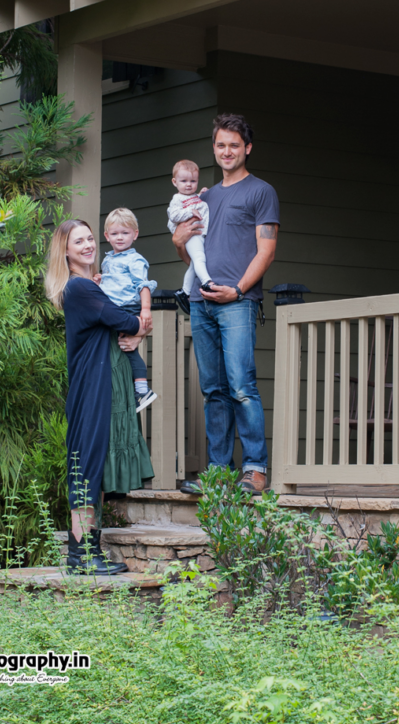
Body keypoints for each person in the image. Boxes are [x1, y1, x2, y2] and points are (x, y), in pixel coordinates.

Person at [172, 114, 279, 496]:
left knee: (242, 387)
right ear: (213, 149)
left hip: (237, 302)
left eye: (234, 145)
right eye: (220, 145)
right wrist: (178, 242)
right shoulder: (204, 197)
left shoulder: (260, 191)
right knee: (213, 390)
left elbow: (266, 251)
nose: (227, 151)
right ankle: (219, 472)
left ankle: (255, 469)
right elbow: (194, 256)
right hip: (202, 302)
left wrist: (238, 289)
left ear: (247, 148)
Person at [45, 219, 154, 574]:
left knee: (92, 469)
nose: (89, 245)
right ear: (65, 251)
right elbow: (124, 320)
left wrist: (134, 329)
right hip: (91, 388)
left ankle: (89, 551)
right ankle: (80, 556)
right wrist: (139, 327)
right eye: (79, 241)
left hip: (96, 385)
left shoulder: (91, 285)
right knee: (85, 470)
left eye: (91, 238)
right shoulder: (81, 289)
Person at [96, 207, 158, 413]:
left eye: (125, 233)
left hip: (127, 308)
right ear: (107, 236)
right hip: (112, 308)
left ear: (135, 234)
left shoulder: (135, 259)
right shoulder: (107, 260)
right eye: (114, 233)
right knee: (121, 347)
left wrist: (145, 310)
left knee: (128, 348)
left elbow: (143, 285)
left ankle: (142, 390)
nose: (120, 238)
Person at [166, 159, 213, 312]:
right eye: (184, 180)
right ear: (175, 182)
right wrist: (189, 212)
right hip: (191, 233)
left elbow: (195, 202)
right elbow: (173, 215)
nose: (188, 184)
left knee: (194, 263)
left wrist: (201, 195)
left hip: (198, 233)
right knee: (200, 258)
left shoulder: (192, 196)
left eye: (193, 181)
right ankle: (207, 282)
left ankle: (184, 291)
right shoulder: (177, 199)